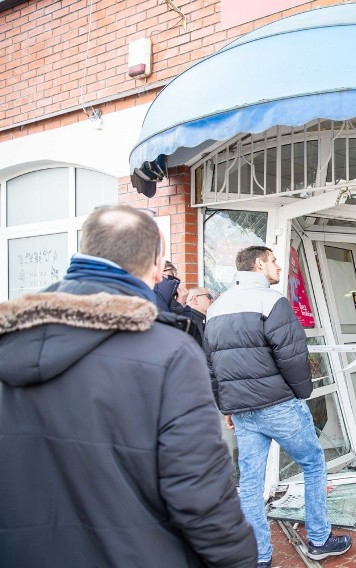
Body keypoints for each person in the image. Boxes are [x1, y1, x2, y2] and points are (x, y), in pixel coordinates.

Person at [0, 205, 256, 567]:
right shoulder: (170, 352)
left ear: (84, 250)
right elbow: (200, 494)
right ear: (155, 263)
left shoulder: (8, 339)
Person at [204, 246, 352, 565]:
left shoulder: (217, 308)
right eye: (273, 261)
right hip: (278, 405)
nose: (279, 267)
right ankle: (319, 539)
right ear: (259, 265)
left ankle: (259, 558)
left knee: (250, 484)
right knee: (313, 463)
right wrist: (301, 393)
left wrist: (226, 406)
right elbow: (293, 357)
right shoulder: (273, 302)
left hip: (242, 411)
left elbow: (212, 365)